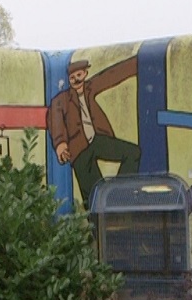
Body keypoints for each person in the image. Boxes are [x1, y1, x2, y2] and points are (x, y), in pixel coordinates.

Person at [46, 58, 141, 205]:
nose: (76, 80)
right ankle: (98, 215)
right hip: (79, 149)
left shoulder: (90, 87)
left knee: (132, 153)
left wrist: (138, 64)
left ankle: (119, 194)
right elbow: (54, 117)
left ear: (85, 74)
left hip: (97, 140)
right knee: (93, 198)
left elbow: (111, 75)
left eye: (79, 75)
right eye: (72, 78)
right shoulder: (62, 99)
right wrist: (60, 143)